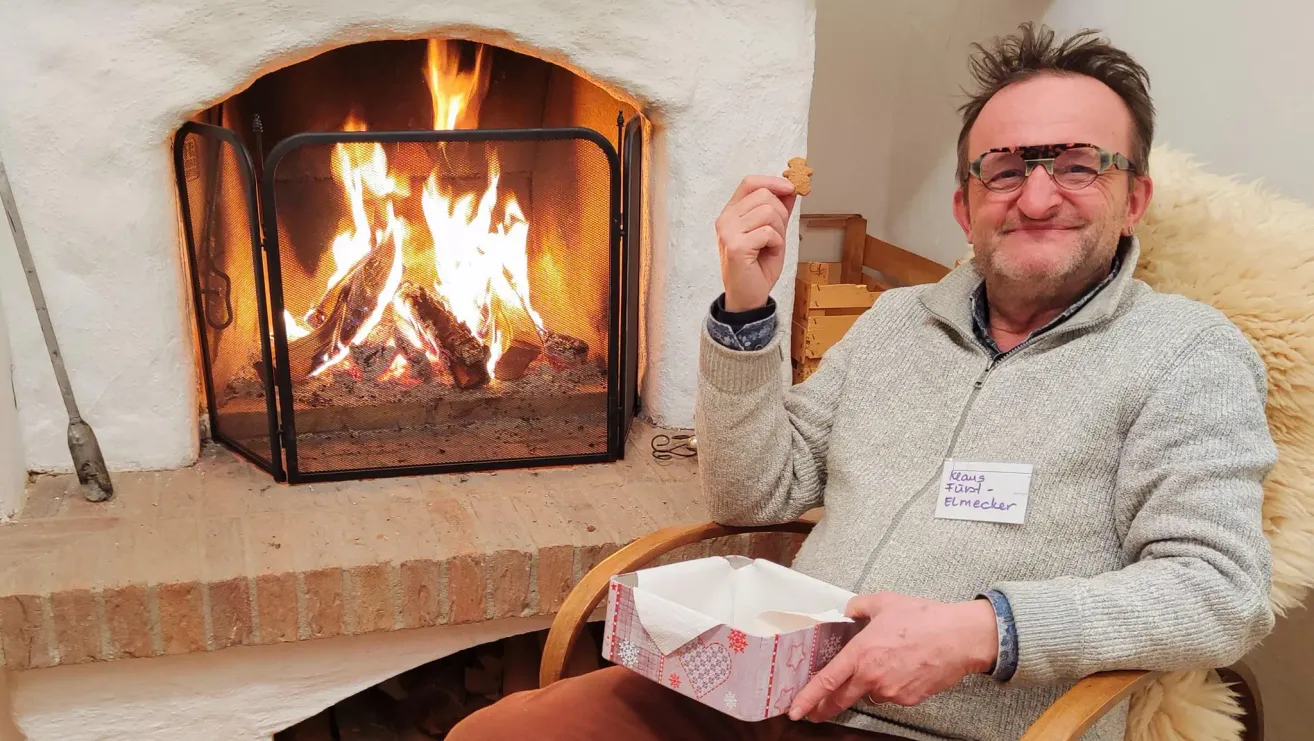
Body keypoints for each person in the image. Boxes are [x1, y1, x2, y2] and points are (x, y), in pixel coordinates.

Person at [445, 22, 1275, 741]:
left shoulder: (1188, 355)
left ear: (1135, 197)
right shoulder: (896, 321)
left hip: (951, 726)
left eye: (1079, 164)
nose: (1038, 195)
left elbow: (1218, 592)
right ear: (966, 206)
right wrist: (745, 305)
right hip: (760, 691)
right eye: (1006, 168)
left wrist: (985, 630)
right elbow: (755, 490)